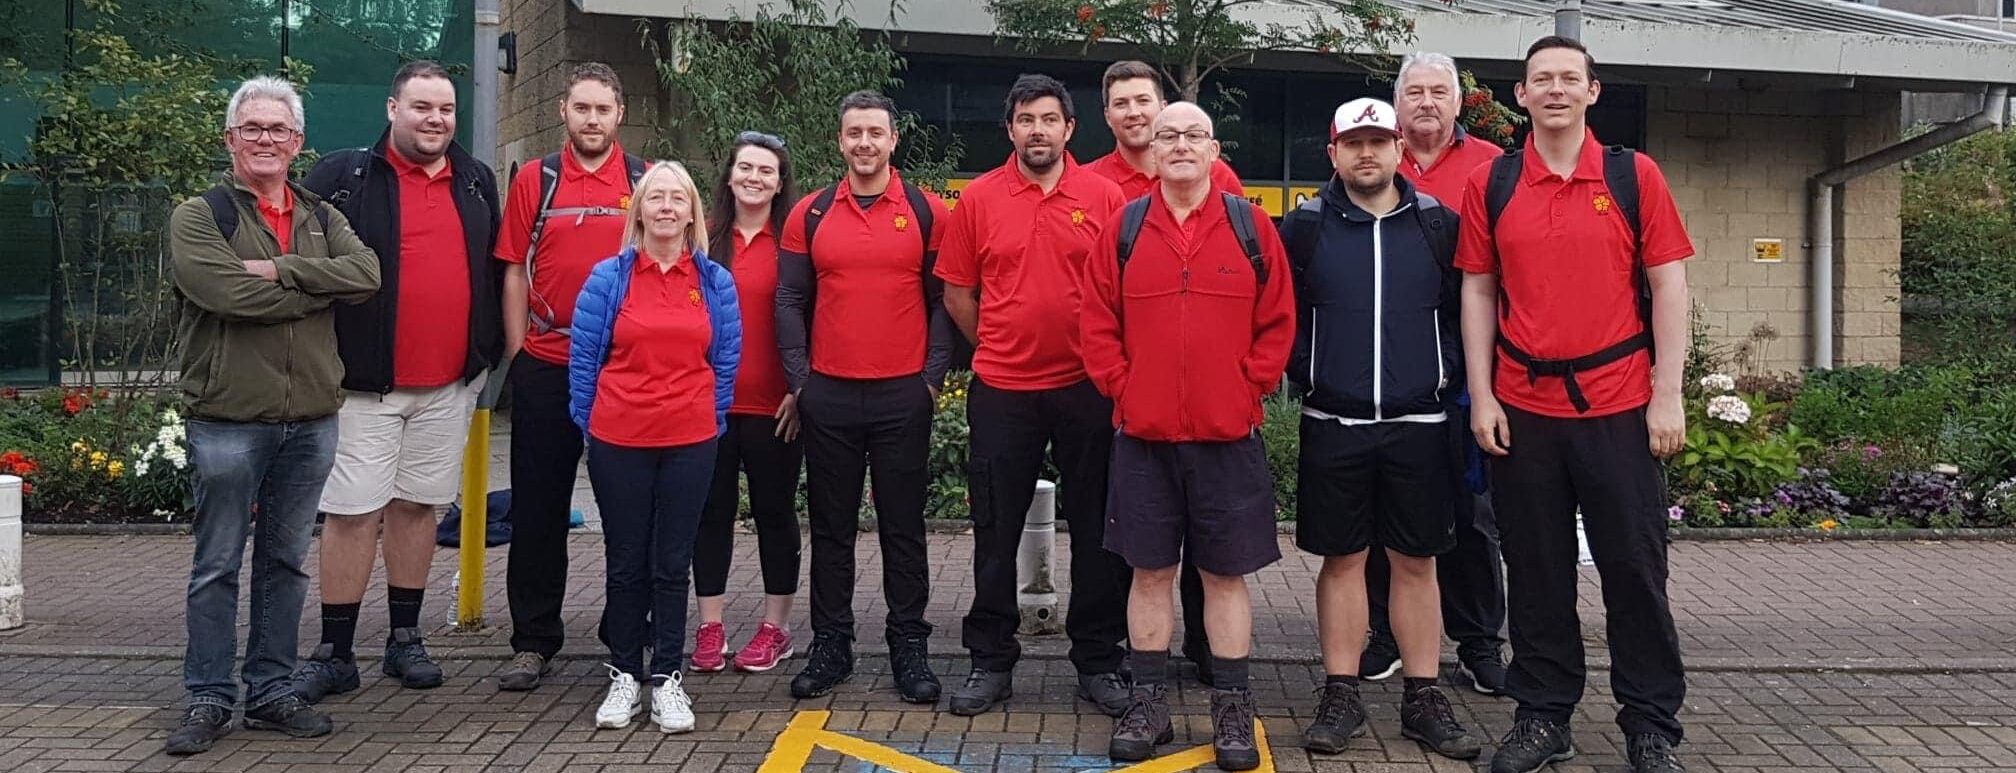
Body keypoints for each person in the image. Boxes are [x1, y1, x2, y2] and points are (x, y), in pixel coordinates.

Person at [1458, 36, 1694, 773]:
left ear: (1592, 91)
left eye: (1569, 78)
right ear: (1520, 96)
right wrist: (1482, 395)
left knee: (1634, 571)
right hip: (1524, 409)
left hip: (1620, 405)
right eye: (1541, 79)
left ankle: (1651, 724)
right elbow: (1478, 290)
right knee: (1536, 573)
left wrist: (1667, 393)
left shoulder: (1633, 175)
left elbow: (1668, 284)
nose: (1555, 89)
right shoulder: (1494, 183)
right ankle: (1543, 716)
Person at [164, 76, 382, 755]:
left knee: (285, 563)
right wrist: (315, 288)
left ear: (297, 142)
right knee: (217, 563)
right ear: (230, 138)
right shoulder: (199, 216)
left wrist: (278, 269)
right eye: (252, 128)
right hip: (228, 417)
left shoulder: (321, 214)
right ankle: (208, 695)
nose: (265, 139)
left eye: (278, 129)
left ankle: (269, 690)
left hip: (310, 418)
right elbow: (224, 293)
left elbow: (367, 274)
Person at [1081, 102, 1295, 772]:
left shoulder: (1251, 227)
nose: (1179, 144)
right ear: (1153, 151)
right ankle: (1148, 703)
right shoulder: (1123, 228)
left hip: (1227, 438)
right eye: (1167, 135)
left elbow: (1278, 323)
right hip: (1143, 438)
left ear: (1213, 150)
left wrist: (1247, 388)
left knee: (1224, 575)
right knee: (1149, 572)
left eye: (1193, 135)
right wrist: (1125, 388)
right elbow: (1096, 322)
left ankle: (1231, 704)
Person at [290, 60, 503, 704]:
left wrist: (485, 354)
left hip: (448, 385)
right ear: (392, 109)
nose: (435, 120)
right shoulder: (342, 178)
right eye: (422, 107)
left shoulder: (476, 180)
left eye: (446, 109)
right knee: (353, 513)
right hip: (364, 388)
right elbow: (306, 262)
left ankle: (404, 639)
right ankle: (335, 651)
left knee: (417, 509)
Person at [1281, 97, 1480, 761]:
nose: (1366, 154)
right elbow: (1282, 314)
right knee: (1341, 559)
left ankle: (1422, 697)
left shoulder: (1437, 225)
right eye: (1353, 143)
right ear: (1333, 153)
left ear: (1400, 149)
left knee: (1416, 561)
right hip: (1333, 420)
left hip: (1418, 422)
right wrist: (1308, 370)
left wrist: (1446, 373)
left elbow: (1464, 312)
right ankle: (1340, 693)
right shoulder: (1304, 227)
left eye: (1378, 141)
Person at [936, 74, 1133, 718]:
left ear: (1070, 128)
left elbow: (1121, 291)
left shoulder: (1104, 197)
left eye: (1049, 119)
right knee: (995, 531)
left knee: (1099, 529)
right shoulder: (979, 198)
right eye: (1026, 120)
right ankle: (991, 660)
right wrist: (998, 342)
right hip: (1003, 389)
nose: (1038, 130)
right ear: (1010, 129)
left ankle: (1099, 660)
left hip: (1087, 388)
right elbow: (958, 293)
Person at [776, 90, 954, 704]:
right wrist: (801, 382)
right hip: (829, 395)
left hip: (903, 395)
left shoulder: (928, 212)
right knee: (831, 529)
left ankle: (909, 645)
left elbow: (944, 303)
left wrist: (931, 380)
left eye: (876, 133)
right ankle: (832, 644)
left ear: (893, 139)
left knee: (903, 527)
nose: (865, 143)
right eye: (854, 133)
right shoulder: (810, 214)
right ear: (840, 140)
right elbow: (789, 300)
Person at [1086, 60, 1245, 684]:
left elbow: (1272, 311)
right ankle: (1133, 670)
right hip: (1137, 410)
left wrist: (1246, 387)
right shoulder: (1102, 194)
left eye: (1143, 100)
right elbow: (1097, 308)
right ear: (1109, 117)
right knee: (1138, 553)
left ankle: (1214, 661)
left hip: (1218, 416)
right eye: (1121, 102)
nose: (1134, 111)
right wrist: (1122, 386)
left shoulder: (1232, 201)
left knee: (1218, 560)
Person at [568, 160, 740, 733]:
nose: (666, 207)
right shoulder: (608, 279)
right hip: (619, 439)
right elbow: (584, 361)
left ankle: (667, 677)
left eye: (677, 198)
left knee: (672, 562)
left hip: (690, 440)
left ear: (693, 213)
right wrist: (592, 424)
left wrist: (709, 418)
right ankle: (624, 673)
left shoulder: (714, 282)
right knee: (625, 561)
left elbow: (726, 361)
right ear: (638, 210)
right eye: (656, 197)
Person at [494, 62, 650, 692]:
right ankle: (533, 642)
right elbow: (513, 268)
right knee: (538, 508)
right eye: (581, 108)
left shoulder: (642, 180)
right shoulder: (537, 180)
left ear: (620, 115)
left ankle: (626, 636)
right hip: (548, 364)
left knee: (629, 509)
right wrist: (518, 355)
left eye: (602, 109)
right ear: (563, 110)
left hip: (624, 371)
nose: (592, 119)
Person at [1359, 50, 1511, 696]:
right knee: (1382, 507)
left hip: (1467, 364)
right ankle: (1385, 633)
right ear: (1398, 103)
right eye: (1414, 91)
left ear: (1458, 102)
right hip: (1388, 364)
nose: (1425, 102)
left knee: (1471, 510)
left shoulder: (1493, 168)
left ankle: (1479, 641)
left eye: (1437, 92)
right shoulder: (1372, 162)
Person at [692, 131, 803, 674]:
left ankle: (776, 629)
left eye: (766, 171)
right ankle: (710, 627)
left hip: (776, 408)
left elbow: (813, 319)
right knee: (709, 515)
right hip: (710, 407)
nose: (754, 178)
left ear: (780, 184)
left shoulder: (795, 244)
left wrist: (801, 391)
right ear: (730, 175)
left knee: (774, 514)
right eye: (746, 168)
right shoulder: (702, 237)